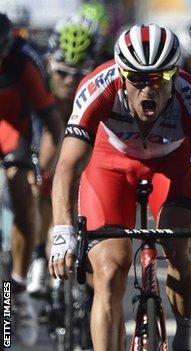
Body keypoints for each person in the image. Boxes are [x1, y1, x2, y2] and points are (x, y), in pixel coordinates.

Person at [48, 23, 191, 351]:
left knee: (181, 248)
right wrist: (62, 229)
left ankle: (185, 339)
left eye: (158, 78)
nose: (148, 89)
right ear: (121, 75)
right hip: (110, 164)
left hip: (171, 165)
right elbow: (67, 168)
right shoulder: (97, 87)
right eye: (137, 79)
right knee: (110, 269)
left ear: (174, 75)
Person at [27, 14, 102, 296]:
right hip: (48, 136)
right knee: (39, 183)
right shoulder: (39, 77)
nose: (70, 81)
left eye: (79, 74)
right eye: (62, 73)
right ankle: (36, 255)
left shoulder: (102, 81)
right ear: (50, 65)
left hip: (86, 143)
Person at [0, 12, 63, 346]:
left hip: (13, 130)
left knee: (23, 191)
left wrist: (45, 170)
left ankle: (18, 290)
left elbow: (53, 125)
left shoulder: (25, 62)